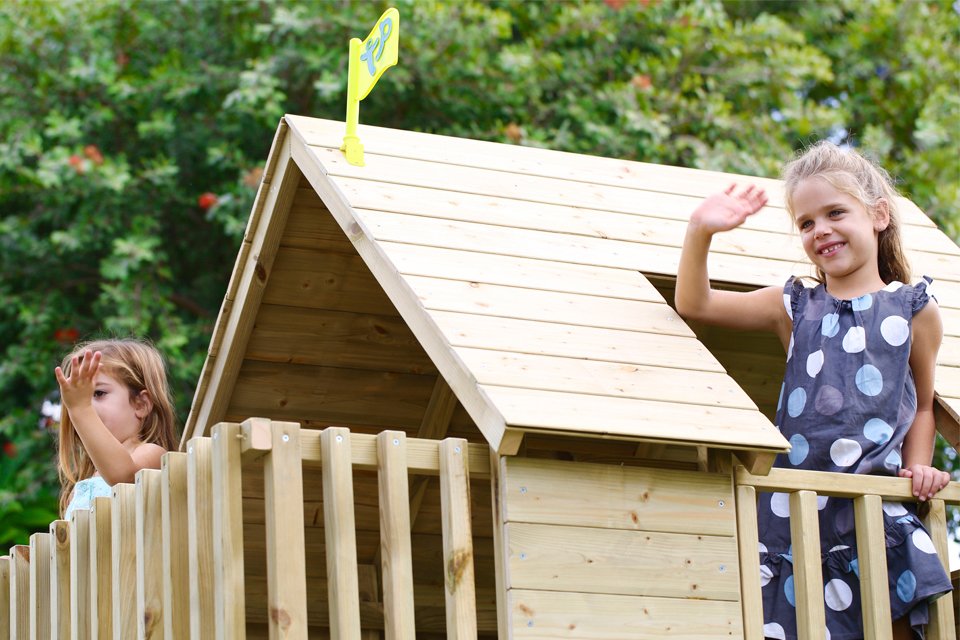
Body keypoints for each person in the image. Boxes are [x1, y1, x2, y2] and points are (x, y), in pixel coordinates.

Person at [675, 141, 952, 639]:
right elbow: (697, 304)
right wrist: (700, 232)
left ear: (878, 215)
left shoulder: (913, 308)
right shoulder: (797, 306)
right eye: (806, 223)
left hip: (871, 507)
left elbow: (924, 403)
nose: (820, 229)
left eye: (835, 212)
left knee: (886, 624)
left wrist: (920, 466)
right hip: (793, 510)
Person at [56, 337, 178, 519]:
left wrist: (81, 409)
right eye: (78, 399)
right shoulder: (80, 489)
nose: (86, 405)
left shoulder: (151, 455)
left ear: (140, 404)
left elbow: (123, 478)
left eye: (98, 393)